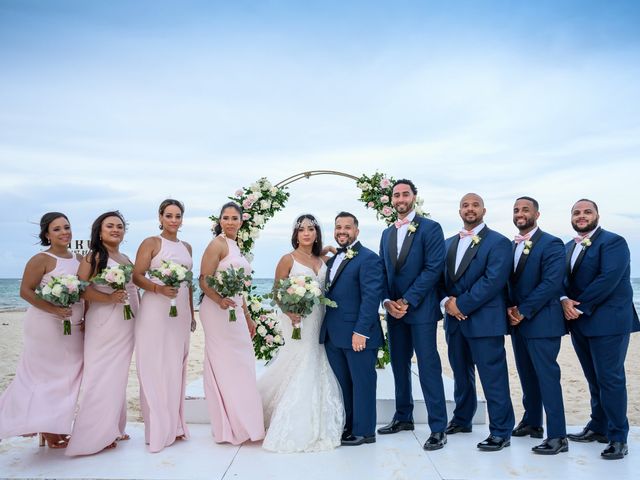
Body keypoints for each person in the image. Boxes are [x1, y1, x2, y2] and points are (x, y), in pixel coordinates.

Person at [258, 214, 344, 452]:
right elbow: (277, 292)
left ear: (317, 233)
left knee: (317, 357)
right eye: (301, 229)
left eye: (311, 229)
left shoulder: (324, 259)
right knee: (299, 358)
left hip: (319, 317)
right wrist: (289, 312)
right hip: (296, 320)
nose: (306, 233)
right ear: (295, 234)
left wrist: (329, 251)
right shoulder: (288, 259)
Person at [562, 199, 639, 460]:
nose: (581, 216)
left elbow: (609, 279)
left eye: (587, 212)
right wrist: (564, 301)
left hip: (609, 321)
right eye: (577, 213)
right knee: (593, 378)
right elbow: (559, 279)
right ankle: (598, 427)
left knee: (611, 379)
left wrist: (578, 306)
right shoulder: (567, 247)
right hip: (579, 322)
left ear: (597, 215)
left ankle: (618, 437)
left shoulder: (613, 242)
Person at [0, 212, 83, 448]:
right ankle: (47, 429)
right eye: (56, 229)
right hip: (45, 325)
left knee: (67, 376)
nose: (64, 232)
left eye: (66, 227)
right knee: (44, 375)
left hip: (73, 327)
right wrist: (53, 310)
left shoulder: (79, 259)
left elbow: (83, 293)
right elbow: (26, 291)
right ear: (46, 234)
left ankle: (54, 424)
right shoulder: (41, 259)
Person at [440, 193, 515, 451]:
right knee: (461, 375)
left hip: (484, 321)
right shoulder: (448, 243)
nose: (470, 209)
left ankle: (501, 431)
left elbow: (493, 281)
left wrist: (461, 304)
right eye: (465, 205)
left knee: (493, 378)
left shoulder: (499, 242)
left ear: (484, 209)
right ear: (459, 210)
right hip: (454, 323)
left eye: (475, 205)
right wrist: (446, 303)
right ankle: (462, 419)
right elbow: (438, 281)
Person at [377, 179, 448, 451]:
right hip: (394, 312)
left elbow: (433, 268)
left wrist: (407, 299)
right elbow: (383, 270)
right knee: (398, 363)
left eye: (405, 194)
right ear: (392, 200)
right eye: (396, 195)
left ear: (414, 197)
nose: (400, 199)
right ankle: (403, 417)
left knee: (429, 367)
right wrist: (387, 301)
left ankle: (438, 427)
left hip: (421, 310)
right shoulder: (386, 233)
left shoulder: (431, 228)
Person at [66, 211, 139, 456]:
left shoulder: (125, 257)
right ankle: (96, 433)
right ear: (99, 230)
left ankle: (114, 427)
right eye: (110, 226)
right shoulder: (94, 256)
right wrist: (108, 297)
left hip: (127, 322)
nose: (116, 230)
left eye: (120, 226)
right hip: (105, 322)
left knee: (117, 376)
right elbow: (80, 289)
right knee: (101, 376)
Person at [199, 202, 264, 445]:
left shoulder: (237, 246)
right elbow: (204, 280)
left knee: (242, 363)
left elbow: (241, 290)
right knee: (228, 365)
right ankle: (232, 427)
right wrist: (219, 300)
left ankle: (243, 423)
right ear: (219, 220)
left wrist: (247, 316)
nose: (229, 222)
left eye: (234, 218)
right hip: (217, 311)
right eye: (225, 217)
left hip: (234, 309)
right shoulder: (217, 243)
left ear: (241, 221)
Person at [506, 197, 568, 455]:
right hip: (517, 323)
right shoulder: (511, 246)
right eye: (516, 210)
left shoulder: (552, 243)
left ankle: (558, 436)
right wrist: (510, 309)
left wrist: (523, 310)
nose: (520, 214)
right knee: (527, 375)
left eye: (525, 210)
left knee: (547, 377)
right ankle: (532, 423)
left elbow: (551, 283)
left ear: (537, 214)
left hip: (542, 322)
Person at [133, 199, 195, 453]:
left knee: (174, 366)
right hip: (155, 310)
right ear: (160, 217)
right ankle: (157, 429)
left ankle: (176, 426)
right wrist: (158, 288)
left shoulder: (187, 246)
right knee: (154, 366)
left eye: (177, 216)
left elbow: (189, 284)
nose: (173, 220)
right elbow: (136, 275)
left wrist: (191, 314)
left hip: (179, 313)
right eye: (168, 215)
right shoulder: (151, 243)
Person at [320, 212, 384, 446]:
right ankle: (349, 426)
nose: (342, 231)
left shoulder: (369, 258)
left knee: (363, 383)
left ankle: (365, 432)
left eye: (347, 227)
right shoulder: (331, 260)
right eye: (338, 227)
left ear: (357, 230)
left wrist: (361, 332)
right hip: (333, 335)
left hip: (358, 335)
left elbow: (371, 298)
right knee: (344, 384)